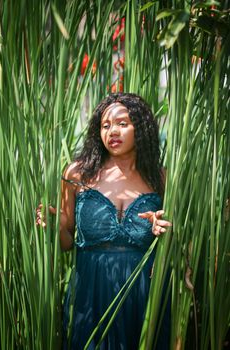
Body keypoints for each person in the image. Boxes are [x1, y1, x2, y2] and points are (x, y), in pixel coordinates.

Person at [36, 92, 172, 349]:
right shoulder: (78, 174)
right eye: (105, 125)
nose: (113, 132)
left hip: (142, 290)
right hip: (90, 289)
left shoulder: (161, 178)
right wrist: (54, 228)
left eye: (122, 124)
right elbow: (66, 242)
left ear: (140, 128)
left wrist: (163, 230)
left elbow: (176, 240)